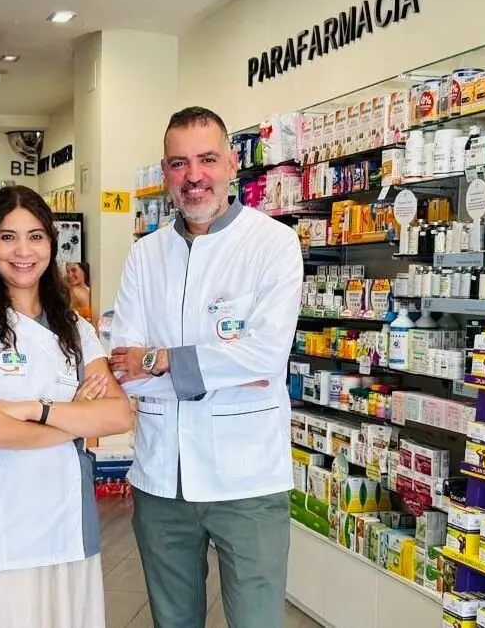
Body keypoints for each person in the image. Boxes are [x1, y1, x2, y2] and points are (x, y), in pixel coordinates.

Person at [108, 106, 304, 628]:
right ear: (166, 171)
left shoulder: (274, 244)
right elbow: (125, 363)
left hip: (247, 479)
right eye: (178, 163)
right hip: (160, 480)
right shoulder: (145, 256)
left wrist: (162, 360)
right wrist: (215, 370)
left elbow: (265, 358)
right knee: (173, 621)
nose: (194, 176)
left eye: (207, 159)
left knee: (257, 620)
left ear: (232, 163)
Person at [0, 185, 132, 628]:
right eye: (8, 237)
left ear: (52, 245)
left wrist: (31, 409)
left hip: (63, 512)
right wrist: (73, 420)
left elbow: (118, 414)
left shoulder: (74, 328)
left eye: (36, 236)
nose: (23, 251)